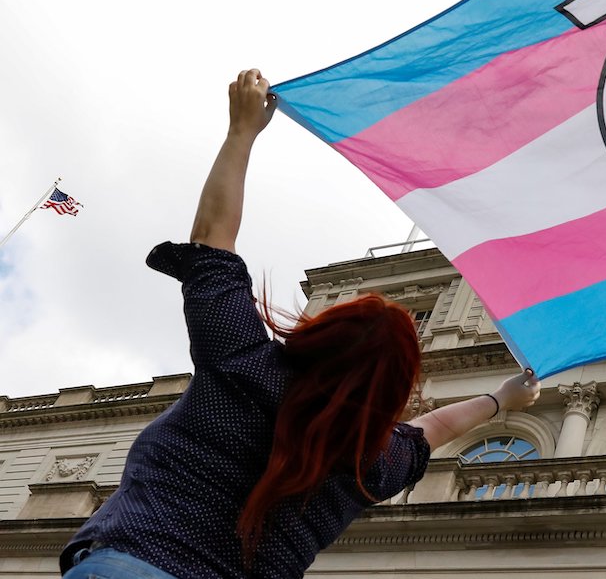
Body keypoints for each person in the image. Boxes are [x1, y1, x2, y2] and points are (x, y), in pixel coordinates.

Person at [60, 69, 541, 579]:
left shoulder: (243, 363)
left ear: (318, 333)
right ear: (398, 382)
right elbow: (436, 426)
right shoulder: (373, 461)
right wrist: (501, 401)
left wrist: (240, 134)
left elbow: (212, 238)